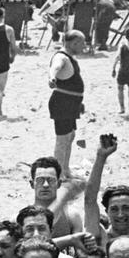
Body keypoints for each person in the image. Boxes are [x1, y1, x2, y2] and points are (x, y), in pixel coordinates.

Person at [47, 30, 87, 177]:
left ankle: (65, 169)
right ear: (73, 43)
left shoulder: (70, 57)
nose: (84, 46)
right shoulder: (61, 57)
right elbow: (55, 68)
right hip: (62, 103)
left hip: (71, 103)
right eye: (82, 43)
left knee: (70, 136)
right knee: (62, 139)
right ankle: (58, 173)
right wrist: (52, 78)